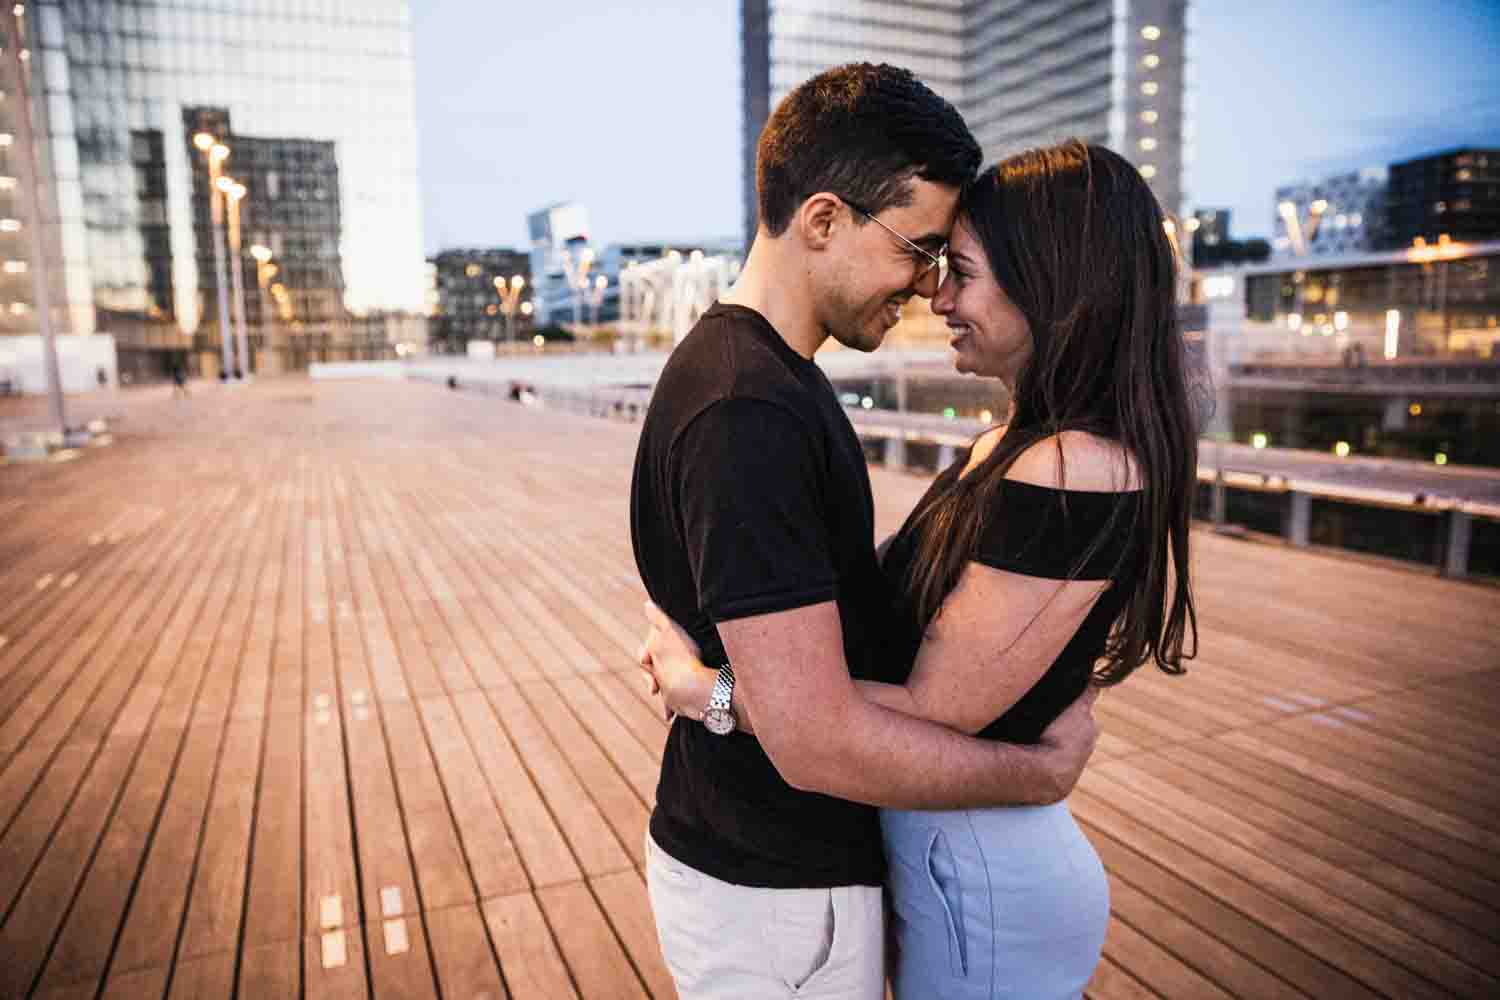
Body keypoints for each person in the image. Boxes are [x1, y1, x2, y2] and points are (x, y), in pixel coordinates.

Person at [641, 140, 1201, 998]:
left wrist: (705, 685)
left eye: (961, 271)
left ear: (1053, 285)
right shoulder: (1011, 448)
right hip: (940, 851)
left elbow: (934, 707)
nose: (936, 294)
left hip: (980, 869)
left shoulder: (1073, 467)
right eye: (933, 261)